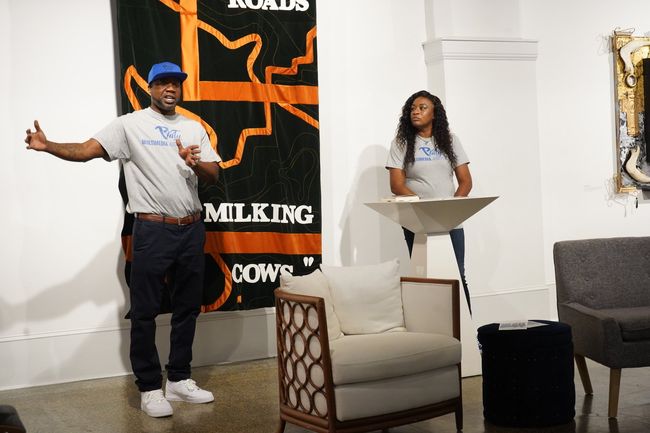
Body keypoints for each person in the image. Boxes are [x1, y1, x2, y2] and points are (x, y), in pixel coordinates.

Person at [24, 62, 221, 418]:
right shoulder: (129, 124)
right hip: (152, 229)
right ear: (150, 88)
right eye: (162, 83)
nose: (170, 89)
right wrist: (47, 145)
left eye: (175, 83)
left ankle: (178, 379)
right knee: (145, 311)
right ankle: (149, 387)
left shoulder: (194, 128)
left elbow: (213, 174)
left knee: (188, 307)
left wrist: (194, 163)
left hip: (191, 228)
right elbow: (87, 149)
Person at [385, 90, 473, 313]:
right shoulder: (401, 143)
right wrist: (423, 210)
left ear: (435, 113)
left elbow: (465, 181)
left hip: (451, 221)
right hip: (417, 222)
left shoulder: (451, 141)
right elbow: (396, 185)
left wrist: (452, 211)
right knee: (424, 275)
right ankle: (430, 334)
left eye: (422, 107)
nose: (416, 111)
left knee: (457, 273)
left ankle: (467, 333)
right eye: (412, 108)